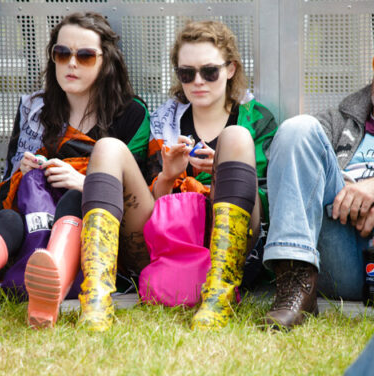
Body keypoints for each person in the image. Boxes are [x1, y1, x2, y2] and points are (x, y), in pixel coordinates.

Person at [77, 20, 277, 331]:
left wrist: (222, 177)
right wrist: (168, 178)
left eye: (209, 71)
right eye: (187, 73)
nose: (198, 81)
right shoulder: (159, 121)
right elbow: (141, 203)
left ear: (231, 69)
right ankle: (96, 299)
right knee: (107, 148)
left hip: (227, 243)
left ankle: (217, 298)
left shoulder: (256, 119)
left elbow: (268, 200)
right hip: (162, 242)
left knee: (236, 137)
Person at [0, 11, 150, 329]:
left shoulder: (132, 114)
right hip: (36, 230)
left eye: (84, 56)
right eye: (62, 52)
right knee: (7, 219)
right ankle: (40, 278)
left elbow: (142, 196)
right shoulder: (33, 111)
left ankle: (53, 284)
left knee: (74, 200)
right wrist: (22, 174)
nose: (70, 63)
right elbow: (4, 192)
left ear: (105, 61)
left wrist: (87, 184)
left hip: (108, 239)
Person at [262, 60, 374, 329]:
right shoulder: (336, 121)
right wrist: (354, 196)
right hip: (341, 252)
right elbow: (297, 173)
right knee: (296, 129)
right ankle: (296, 287)